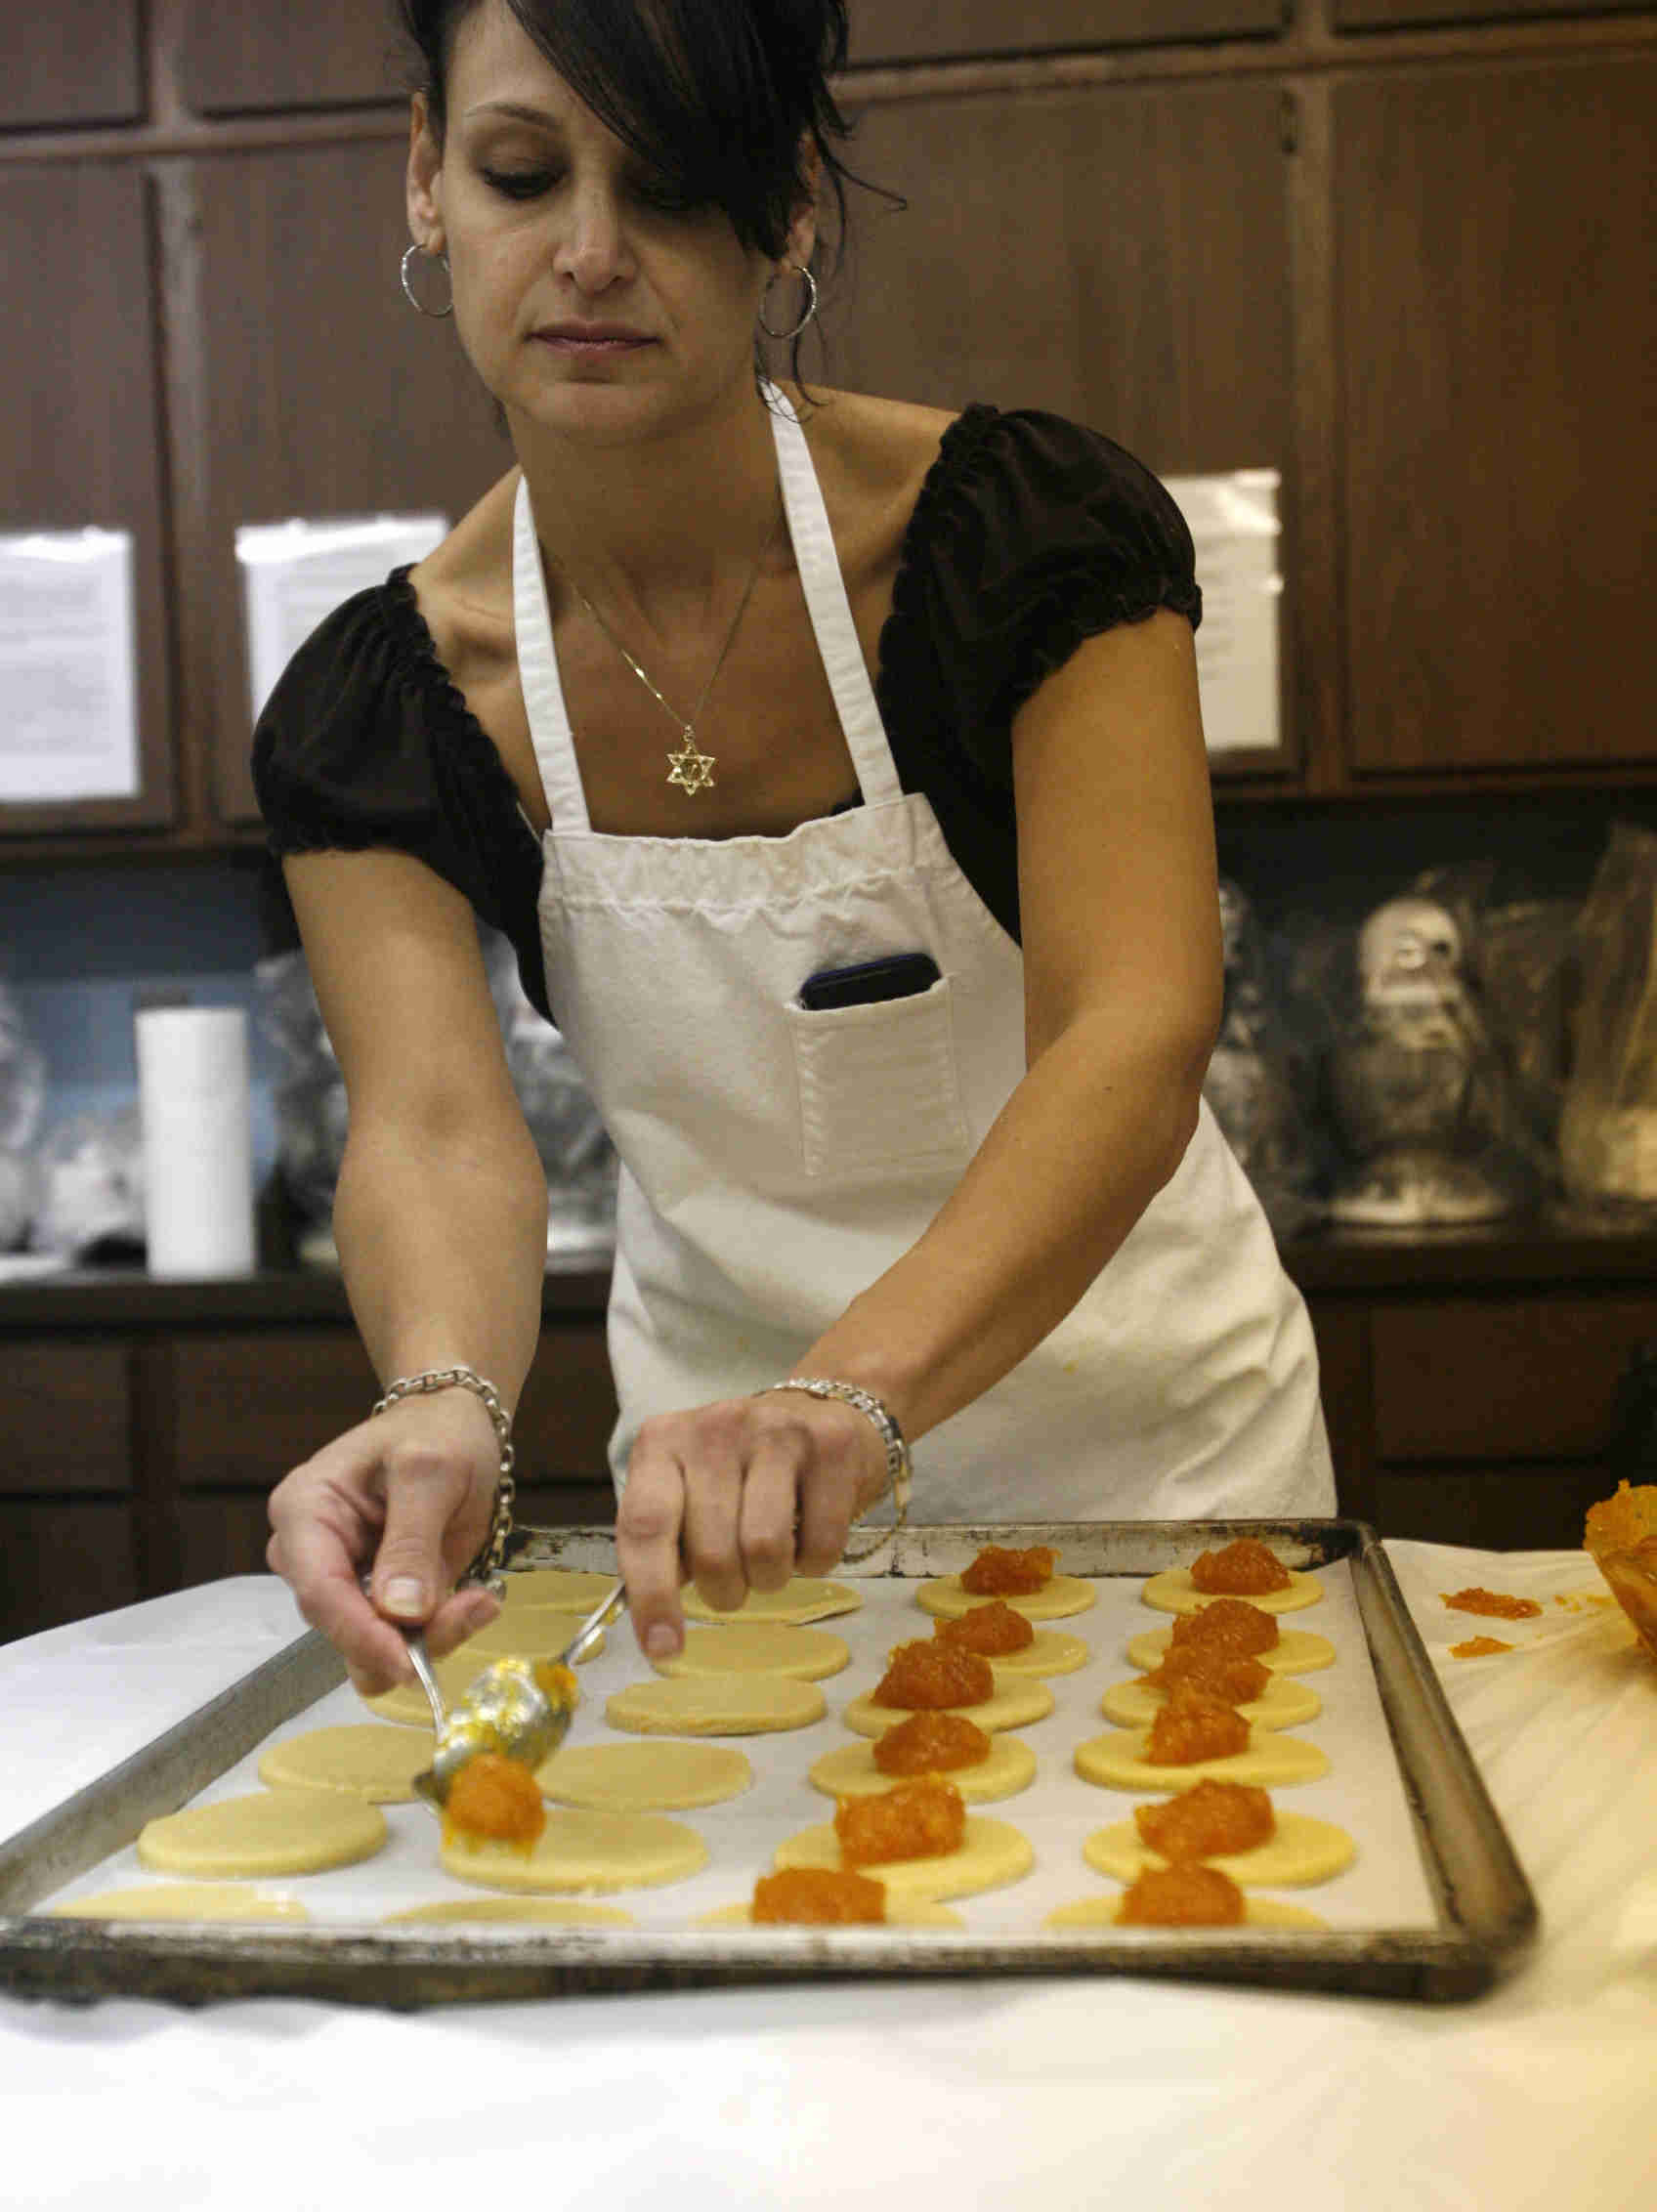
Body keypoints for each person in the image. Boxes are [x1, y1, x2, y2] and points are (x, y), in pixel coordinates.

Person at [255, 0, 1335, 1696]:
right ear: (425, 179)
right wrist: (444, 1395)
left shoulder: (1019, 541)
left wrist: (846, 1395)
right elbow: (436, 1130)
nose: (589, 254)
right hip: (724, 1529)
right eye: (523, 174)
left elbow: (1132, 1031)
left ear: (791, 212)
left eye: (675, 187)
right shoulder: (384, 702)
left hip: (1158, 1475)